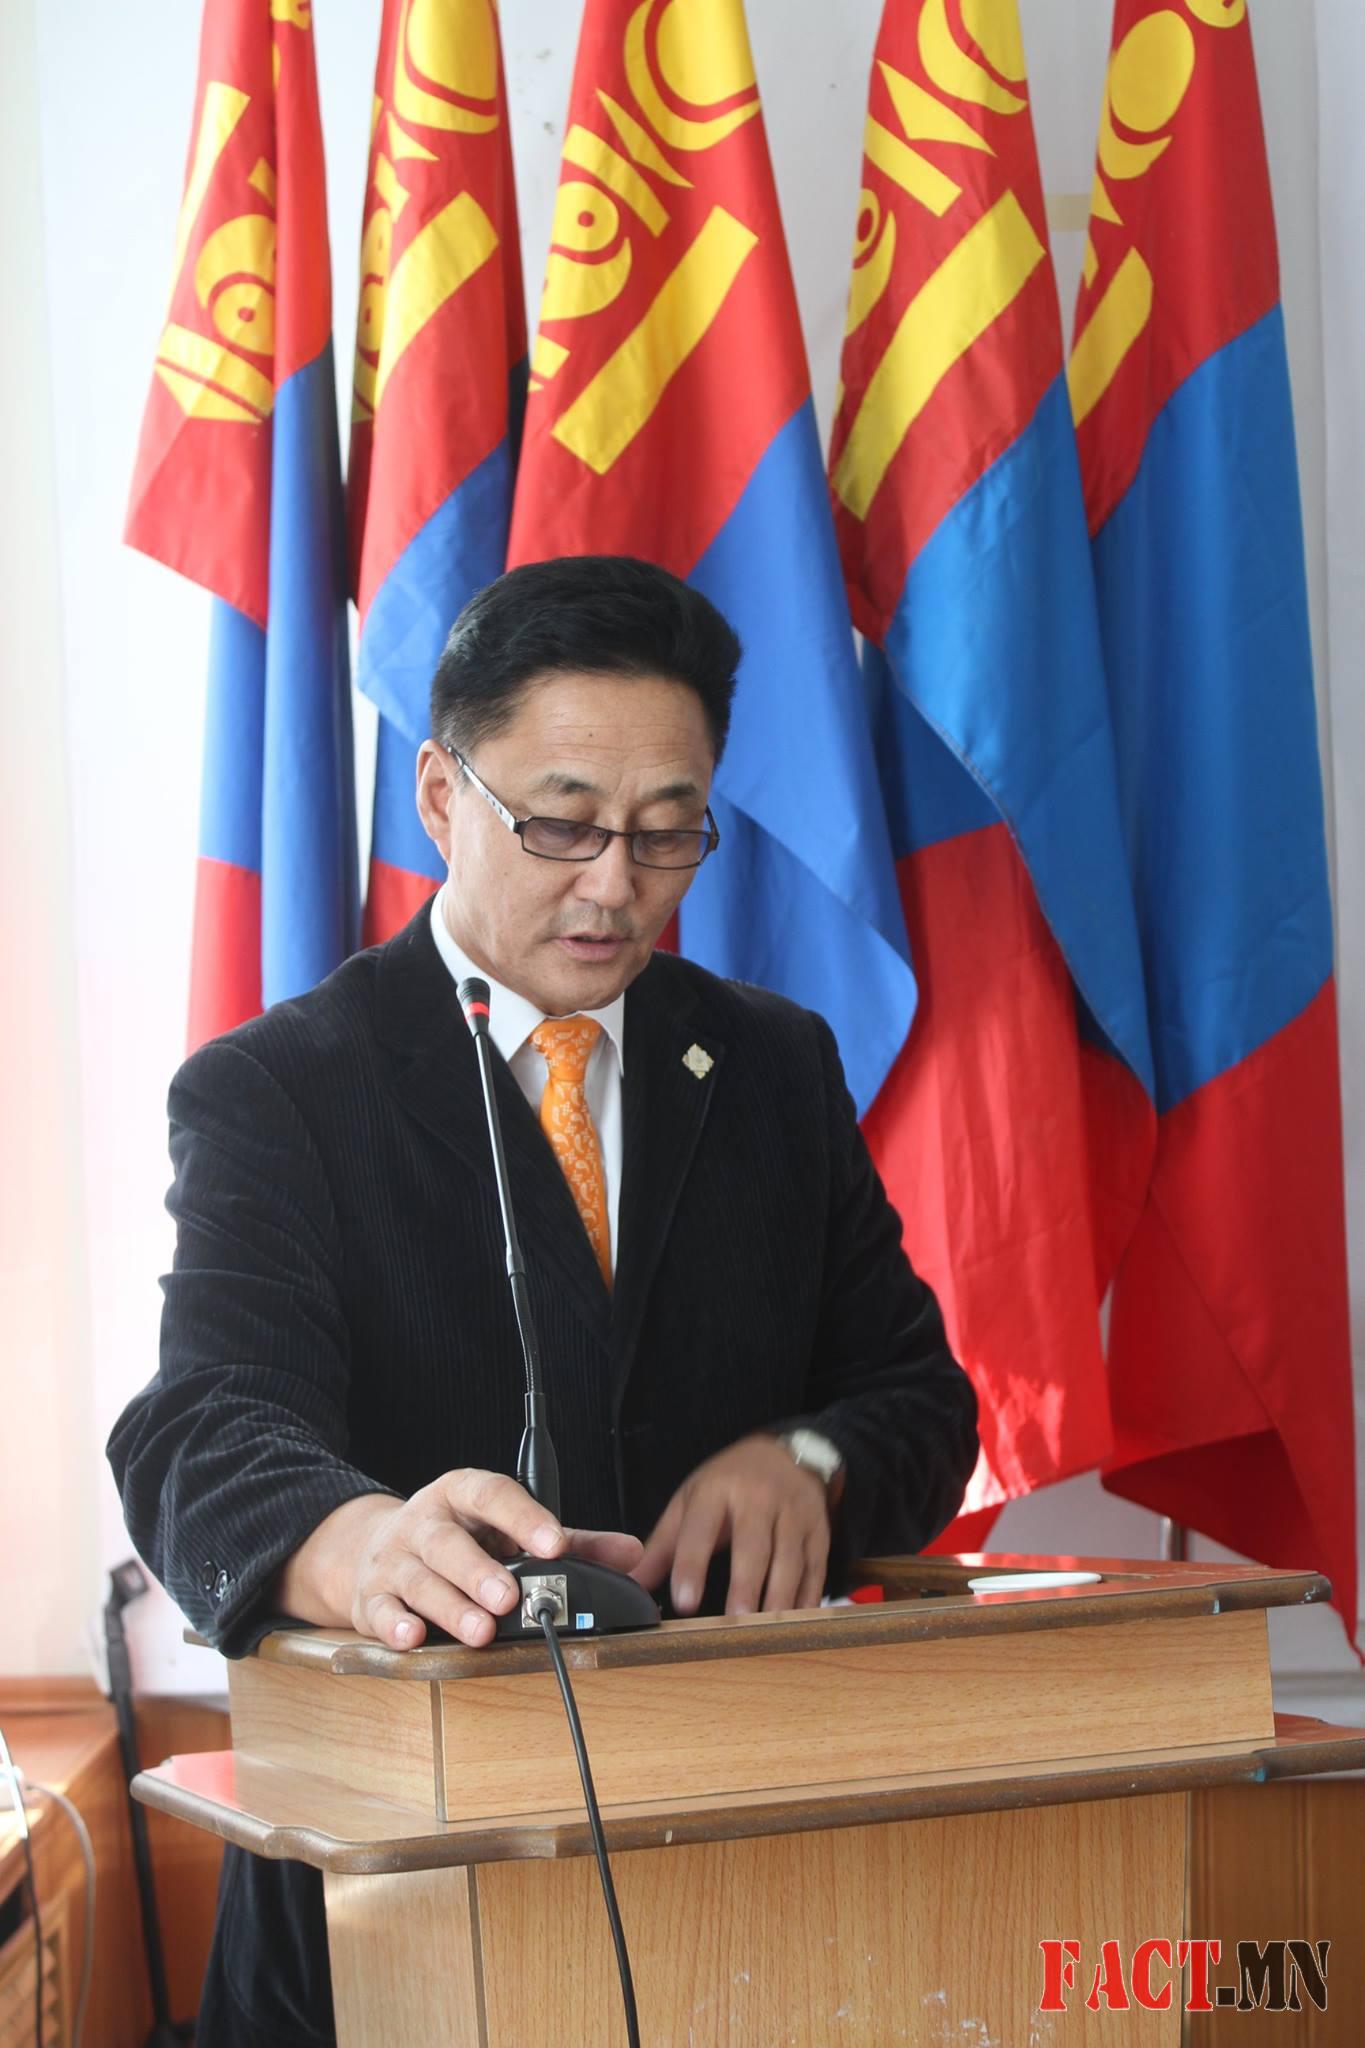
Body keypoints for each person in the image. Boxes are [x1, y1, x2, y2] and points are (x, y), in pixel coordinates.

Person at [108, 554, 977, 2046]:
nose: (614, 886)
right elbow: (197, 1432)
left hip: (747, 1880)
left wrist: (811, 1461)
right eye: (562, 822)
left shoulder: (771, 1066)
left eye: (666, 831)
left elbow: (920, 1402)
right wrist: (360, 1545)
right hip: (391, 1894)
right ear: (441, 793)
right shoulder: (281, 1089)